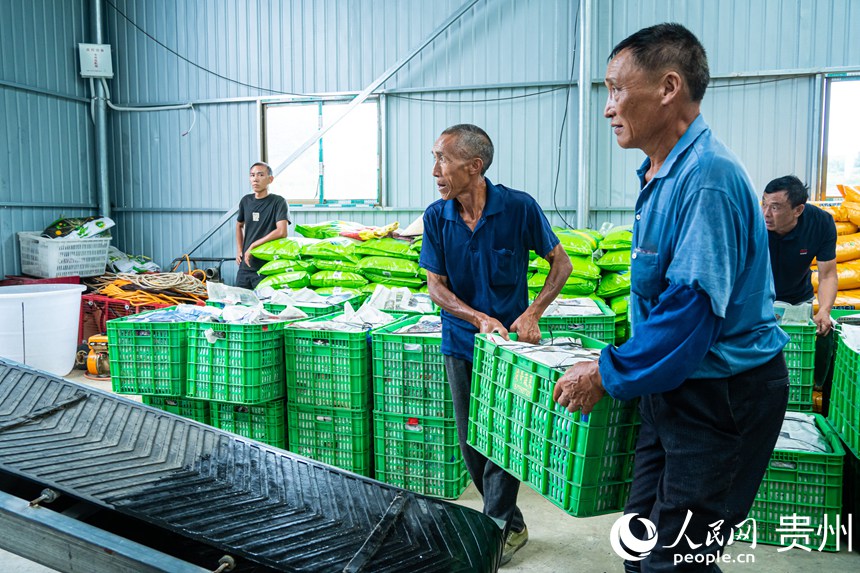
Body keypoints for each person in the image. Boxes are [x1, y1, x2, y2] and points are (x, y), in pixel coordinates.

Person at [552, 24, 789, 572]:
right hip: (676, 386)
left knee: (677, 559)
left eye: (616, 89)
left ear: (668, 87)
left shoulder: (706, 178)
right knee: (639, 544)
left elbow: (688, 312)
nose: (608, 108)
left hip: (722, 394)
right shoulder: (662, 173)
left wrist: (605, 372)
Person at [419, 124, 573, 566]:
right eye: (435, 159)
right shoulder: (437, 216)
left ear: (474, 166)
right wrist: (477, 318)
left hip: (510, 352)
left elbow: (560, 264)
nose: (435, 171)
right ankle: (513, 523)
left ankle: (497, 529)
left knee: (503, 437)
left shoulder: (518, 207)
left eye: (443, 159)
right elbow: (436, 286)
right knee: (471, 440)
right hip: (461, 343)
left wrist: (533, 313)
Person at [762, 175, 838, 412]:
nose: (766, 213)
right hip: (758, 298)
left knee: (795, 360)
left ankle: (796, 406)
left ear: (798, 210)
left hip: (797, 299)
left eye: (775, 207)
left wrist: (824, 310)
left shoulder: (820, 223)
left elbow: (827, 274)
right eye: (764, 203)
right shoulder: (751, 221)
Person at [235, 161, 290, 289]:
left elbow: (282, 232)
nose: (255, 179)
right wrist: (240, 250)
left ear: (270, 179)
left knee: (265, 300)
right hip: (245, 266)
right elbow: (239, 225)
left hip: (267, 267)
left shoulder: (278, 202)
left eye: (260, 175)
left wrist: (253, 245)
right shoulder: (245, 201)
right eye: (252, 175)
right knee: (240, 300)